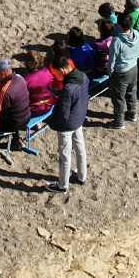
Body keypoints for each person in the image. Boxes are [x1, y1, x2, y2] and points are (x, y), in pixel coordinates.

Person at [48, 56, 89, 191]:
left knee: (65, 155)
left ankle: (62, 185)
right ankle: (82, 176)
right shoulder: (83, 77)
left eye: (55, 73)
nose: (55, 76)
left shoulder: (68, 89)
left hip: (68, 125)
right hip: (79, 118)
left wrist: (51, 122)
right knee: (80, 148)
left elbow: (63, 114)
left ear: (62, 70)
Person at [106, 16, 139, 128]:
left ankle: (119, 122)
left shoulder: (117, 41)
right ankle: (132, 114)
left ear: (119, 26)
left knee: (118, 98)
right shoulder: (136, 34)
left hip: (121, 73)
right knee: (132, 92)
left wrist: (110, 73)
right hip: (134, 68)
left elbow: (111, 61)